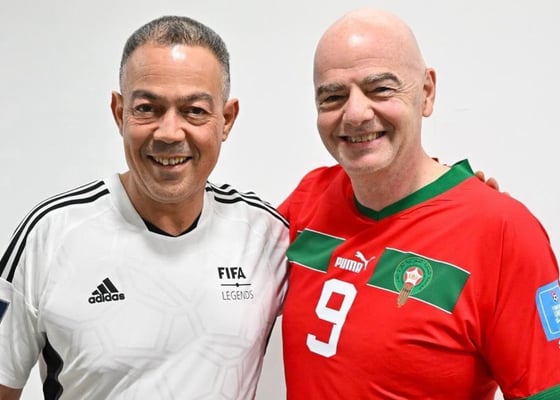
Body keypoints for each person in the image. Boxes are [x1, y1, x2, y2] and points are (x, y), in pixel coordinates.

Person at [0, 15, 288, 400]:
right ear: (119, 113)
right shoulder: (49, 235)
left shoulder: (267, 236)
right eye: (148, 108)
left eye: (195, 110)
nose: (169, 133)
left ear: (227, 119)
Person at [279, 8, 560, 400]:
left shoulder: (503, 232)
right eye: (333, 96)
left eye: (380, 89)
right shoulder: (307, 199)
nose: (355, 114)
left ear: (426, 92)